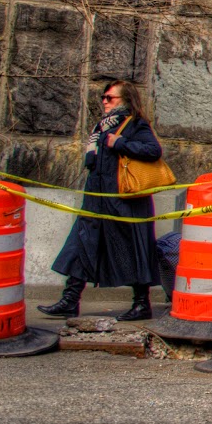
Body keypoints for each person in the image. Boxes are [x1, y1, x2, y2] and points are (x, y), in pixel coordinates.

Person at [39, 81, 165, 321]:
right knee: (82, 244)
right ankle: (70, 299)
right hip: (96, 199)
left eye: (110, 98)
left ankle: (142, 304)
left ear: (125, 100)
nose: (105, 102)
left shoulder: (135, 124)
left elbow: (153, 150)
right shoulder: (101, 127)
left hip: (123, 200)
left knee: (132, 248)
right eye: (103, 98)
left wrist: (119, 143)